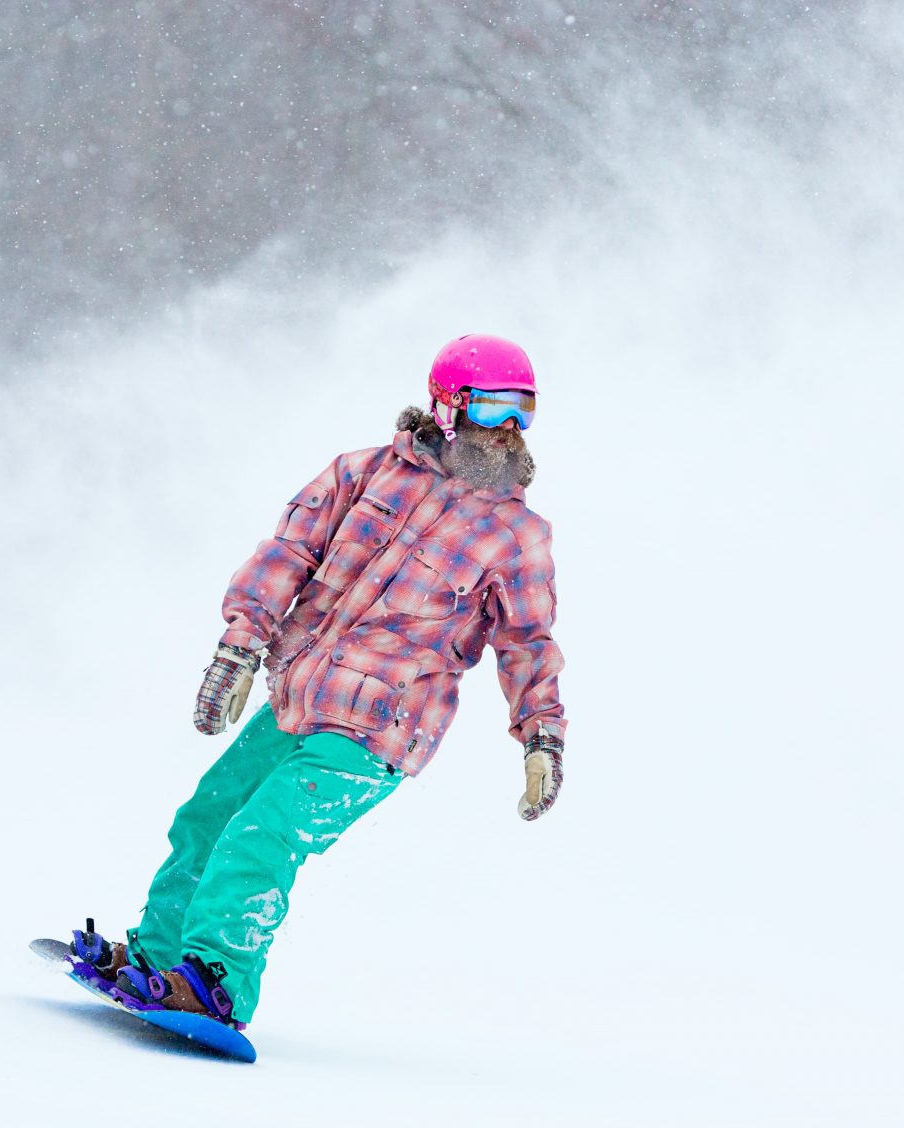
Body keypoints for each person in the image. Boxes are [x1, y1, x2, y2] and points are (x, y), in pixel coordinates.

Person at [65, 334, 567, 1030]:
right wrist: (240, 649)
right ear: (447, 407)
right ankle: (160, 959)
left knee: (262, 834)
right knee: (208, 816)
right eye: (492, 407)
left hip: (381, 727)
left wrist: (542, 736)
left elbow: (527, 641)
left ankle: (215, 982)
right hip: (299, 700)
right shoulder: (363, 474)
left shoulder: (516, 536)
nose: (509, 428)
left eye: (524, 410)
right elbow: (287, 555)